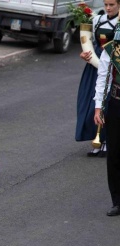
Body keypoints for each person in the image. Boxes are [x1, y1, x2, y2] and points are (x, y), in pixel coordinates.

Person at [75, 0, 120, 157]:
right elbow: (91, 44)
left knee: (109, 102)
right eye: (106, 4)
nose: (108, 8)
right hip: (94, 66)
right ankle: (96, 140)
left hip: (113, 66)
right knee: (90, 103)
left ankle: (107, 141)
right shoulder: (97, 20)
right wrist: (85, 55)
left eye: (112, 5)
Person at [94, 14, 120, 216]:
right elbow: (103, 75)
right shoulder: (112, 48)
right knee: (114, 154)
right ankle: (117, 201)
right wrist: (98, 107)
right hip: (116, 102)